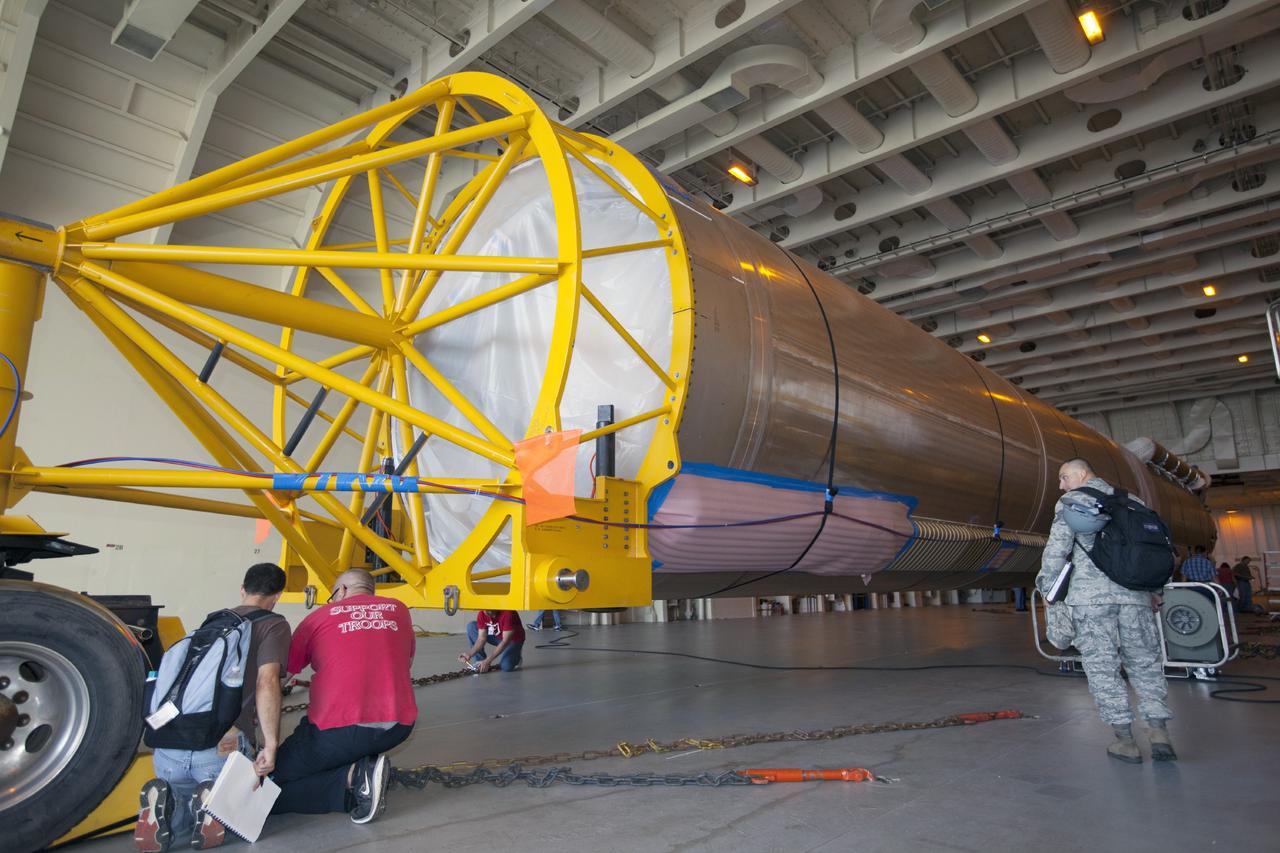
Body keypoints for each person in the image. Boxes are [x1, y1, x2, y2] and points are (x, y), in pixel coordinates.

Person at [135, 563, 290, 852]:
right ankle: (208, 805)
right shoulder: (274, 625)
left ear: (242, 589)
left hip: (170, 742)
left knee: (177, 816)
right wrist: (271, 744)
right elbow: (267, 681)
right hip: (220, 744)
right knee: (232, 814)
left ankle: (164, 810)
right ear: (277, 595)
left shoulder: (213, 622)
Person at [1035, 458, 1175, 764]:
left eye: (1063, 477)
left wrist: (1047, 587)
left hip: (1090, 599)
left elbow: (1057, 548)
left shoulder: (1073, 500)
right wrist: (1154, 590)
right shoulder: (1131, 501)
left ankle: (1125, 741)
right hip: (1135, 595)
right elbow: (1154, 546)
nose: (1061, 485)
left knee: (1102, 667)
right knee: (1145, 663)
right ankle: (1159, 733)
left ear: (1082, 473)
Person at [270, 569, 416, 825]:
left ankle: (353, 778)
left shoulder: (318, 618)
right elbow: (407, 661)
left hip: (339, 730)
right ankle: (361, 771)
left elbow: (280, 677)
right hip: (398, 726)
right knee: (335, 750)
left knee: (268, 786)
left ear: (343, 591)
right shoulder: (399, 611)